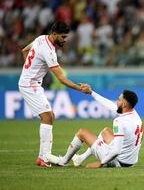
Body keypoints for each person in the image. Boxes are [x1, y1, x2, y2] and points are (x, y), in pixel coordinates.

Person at [18, 21, 90, 167]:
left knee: (50, 116)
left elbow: (24, 51)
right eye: (63, 37)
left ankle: (42, 157)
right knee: (47, 117)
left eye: (66, 37)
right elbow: (61, 78)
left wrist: (30, 69)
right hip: (30, 85)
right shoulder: (49, 51)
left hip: (31, 83)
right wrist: (80, 88)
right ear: (54, 34)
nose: (65, 40)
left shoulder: (40, 38)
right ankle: (44, 158)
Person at [46, 87, 144, 168]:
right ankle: (80, 158)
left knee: (82, 132)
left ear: (124, 104)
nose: (116, 102)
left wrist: (101, 163)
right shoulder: (135, 115)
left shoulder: (119, 121)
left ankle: (63, 161)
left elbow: (116, 150)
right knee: (105, 132)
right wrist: (92, 93)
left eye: (119, 100)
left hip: (118, 162)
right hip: (130, 163)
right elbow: (110, 105)